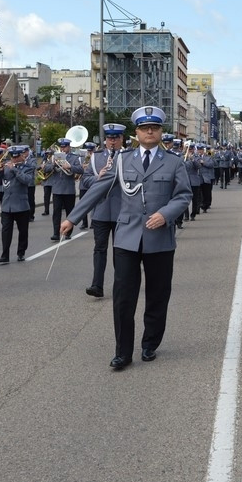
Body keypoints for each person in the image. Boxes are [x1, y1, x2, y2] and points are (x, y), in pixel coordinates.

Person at [62, 106, 193, 370]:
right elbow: (98, 190)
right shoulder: (122, 160)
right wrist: (72, 218)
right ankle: (123, 351)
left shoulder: (174, 162)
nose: (149, 132)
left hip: (159, 239)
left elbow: (183, 196)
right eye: (145, 128)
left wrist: (165, 215)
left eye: (154, 128)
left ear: (160, 131)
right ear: (136, 133)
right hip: (127, 238)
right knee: (123, 297)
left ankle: (149, 343)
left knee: (157, 295)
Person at [80, 124, 126, 297]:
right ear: (105, 139)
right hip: (101, 210)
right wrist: (97, 177)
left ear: (121, 138)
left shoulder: (128, 156)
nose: (112, 141)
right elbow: (85, 180)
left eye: (115, 138)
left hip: (122, 210)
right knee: (99, 249)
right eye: (109, 138)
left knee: (120, 250)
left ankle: (121, 286)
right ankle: (97, 285)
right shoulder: (95, 158)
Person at [0, 145, 34, 263]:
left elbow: (27, 180)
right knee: (6, 231)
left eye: (16, 157)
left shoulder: (28, 167)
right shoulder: (6, 166)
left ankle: (21, 252)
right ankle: (4, 255)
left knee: (23, 231)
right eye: (12, 157)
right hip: (7, 205)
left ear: (22, 156)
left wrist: (15, 169)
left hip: (21, 205)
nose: (14, 159)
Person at [44, 136, 84, 241]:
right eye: (61, 147)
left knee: (69, 212)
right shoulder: (54, 157)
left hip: (69, 190)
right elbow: (46, 169)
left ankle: (67, 233)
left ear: (69, 147)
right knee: (56, 212)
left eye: (65, 147)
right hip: (57, 189)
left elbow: (80, 170)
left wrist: (70, 167)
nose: (63, 149)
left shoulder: (74, 158)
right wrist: (53, 164)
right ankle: (55, 233)